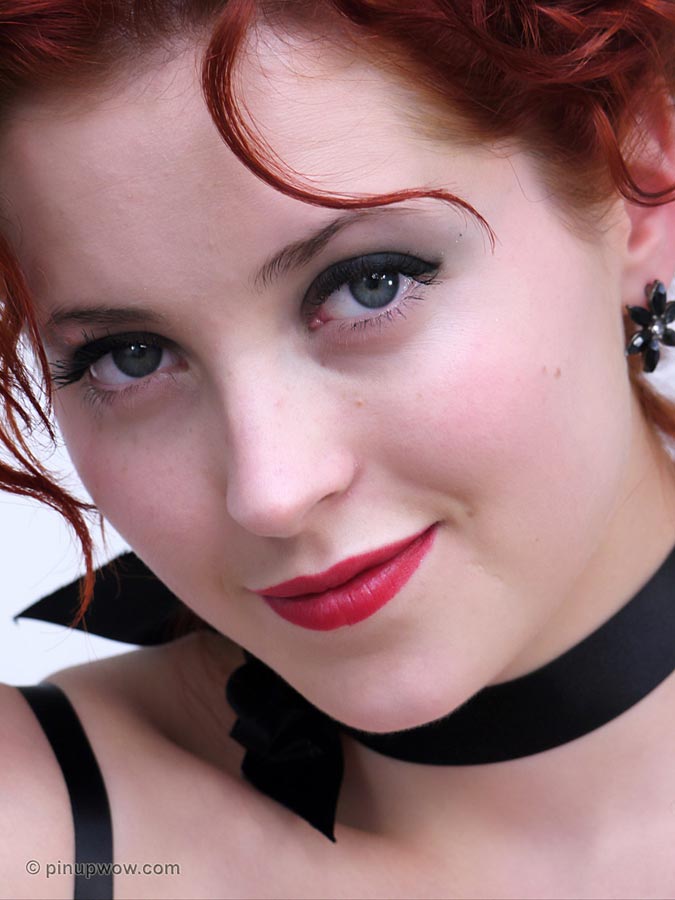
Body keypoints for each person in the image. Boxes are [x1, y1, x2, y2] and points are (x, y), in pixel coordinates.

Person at [2, 0, 675, 897]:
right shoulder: (38, 830)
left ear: (640, 187)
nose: (270, 491)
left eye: (369, 284)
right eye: (131, 357)